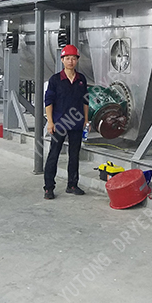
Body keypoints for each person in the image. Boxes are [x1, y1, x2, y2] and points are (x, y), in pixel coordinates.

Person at [43, 44, 90, 200]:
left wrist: (86, 120)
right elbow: (48, 102)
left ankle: (72, 185)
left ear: (77, 60)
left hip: (77, 123)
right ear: (62, 60)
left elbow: (85, 101)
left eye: (73, 58)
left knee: (74, 155)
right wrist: (50, 122)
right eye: (68, 58)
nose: (71, 61)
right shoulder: (55, 80)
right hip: (59, 124)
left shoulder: (81, 79)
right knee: (54, 155)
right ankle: (49, 188)